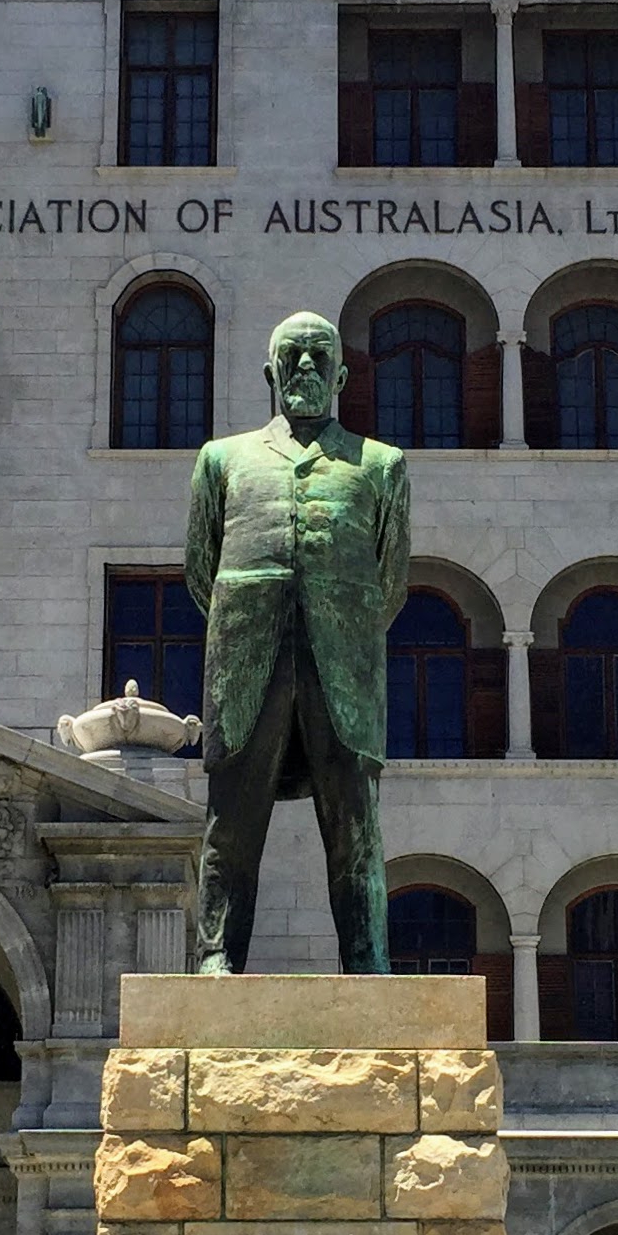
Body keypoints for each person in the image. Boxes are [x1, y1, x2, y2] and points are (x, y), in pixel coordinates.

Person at [183, 310, 410, 975]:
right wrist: (249, 619)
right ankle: (217, 955)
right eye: (292, 356)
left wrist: (343, 623)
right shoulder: (222, 459)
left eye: (319, 356)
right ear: (270, 373)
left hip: (345, 665)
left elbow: (390, 582)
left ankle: (367, 960)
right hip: (246, 660)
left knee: (355, 827)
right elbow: (201, 571)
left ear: (340, 376)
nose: (305, 367)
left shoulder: (381, 465)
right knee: (231, 822)